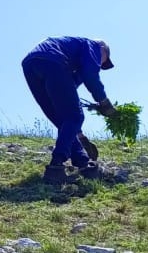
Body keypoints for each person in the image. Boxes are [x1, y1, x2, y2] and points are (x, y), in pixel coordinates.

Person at [21, 36, 117, 184]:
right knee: (75, 116)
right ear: (103, 50)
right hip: (52, 61)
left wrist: (79, 135)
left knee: (63, 119)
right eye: (104, 61)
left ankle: (84, 164)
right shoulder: (93, 45)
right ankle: (56, 166)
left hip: (31, 64)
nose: (100, 64)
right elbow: (90, 75)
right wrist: (104, 101)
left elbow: (69, 89)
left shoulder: (74, 54)